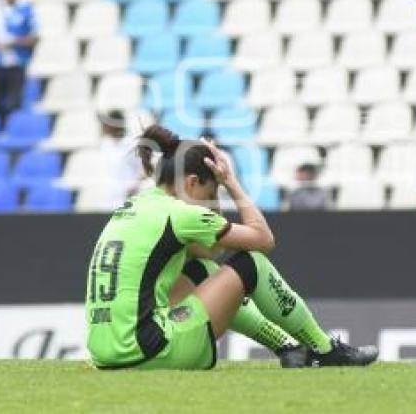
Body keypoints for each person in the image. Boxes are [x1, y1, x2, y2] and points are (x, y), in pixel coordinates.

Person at [85, 124, 378, 370]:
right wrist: (231, 183)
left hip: (106, 355)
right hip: (149, 351)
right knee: (252, 263)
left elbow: (209, 254)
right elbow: (264, 240)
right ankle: (324, 349)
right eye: (210, 194)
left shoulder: (133, 206)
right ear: (191, 182)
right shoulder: (181, 214)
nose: (212, 205)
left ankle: (288, 347)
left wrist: (215, 195)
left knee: (203, 270)